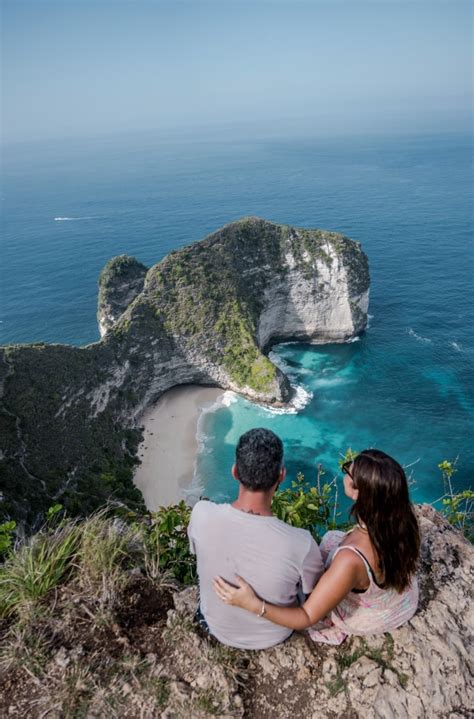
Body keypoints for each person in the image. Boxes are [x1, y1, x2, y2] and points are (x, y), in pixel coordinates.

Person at [213, 449, 420, 645]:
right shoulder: (399, 520)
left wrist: (253, 604)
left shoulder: (350, 560)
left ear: (358, 492)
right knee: (331, 539)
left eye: (348, 469)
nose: (345, 469)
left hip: (367, 610)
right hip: (389, 591)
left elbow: (307, 616)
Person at [187, 428, 324, 650]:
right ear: (281, 475)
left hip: (214, 625)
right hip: (272, 636)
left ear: (234, 472)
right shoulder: (301, 543)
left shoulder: (202, 513)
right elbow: (313, 598)